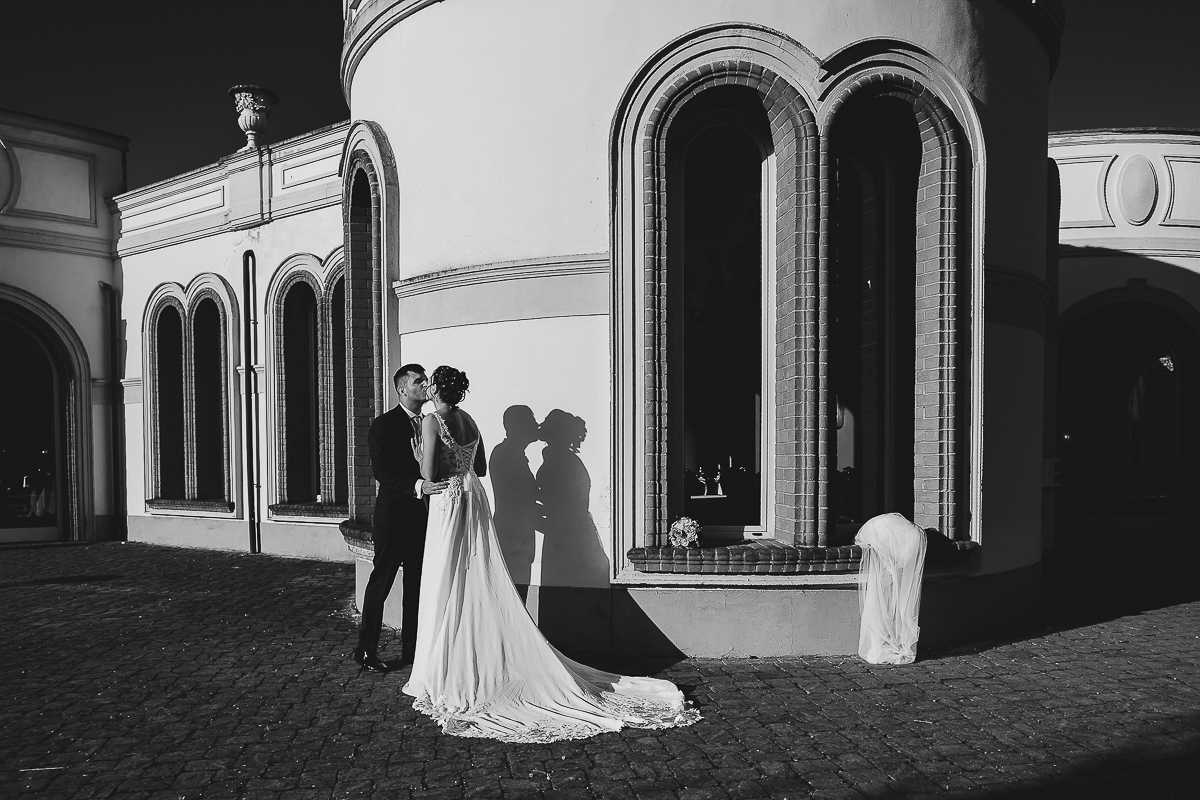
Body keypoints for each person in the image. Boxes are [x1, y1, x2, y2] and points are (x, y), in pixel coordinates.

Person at [402, 365, 700, 742]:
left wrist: (419, 453)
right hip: (473, 496)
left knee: (446, 574)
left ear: (436, 389)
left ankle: (445, 662)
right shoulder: (470, 421)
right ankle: (469, 647)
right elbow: (478, 468)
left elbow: (429, 475)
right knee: (474, 574)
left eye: (429, 383)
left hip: (448, 501)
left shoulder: (431, 421)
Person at [354, 364, 447, 672]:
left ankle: (412, 650)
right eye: (418, 381)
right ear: (402, 389)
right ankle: (365, 650)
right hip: (393, 518)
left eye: (426, 380)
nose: (425, 385)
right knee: (381, 583)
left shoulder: (434, 422)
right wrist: (419, 486)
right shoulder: (384, 425)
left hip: (422, 518)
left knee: (417, 586)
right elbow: (382, 471)